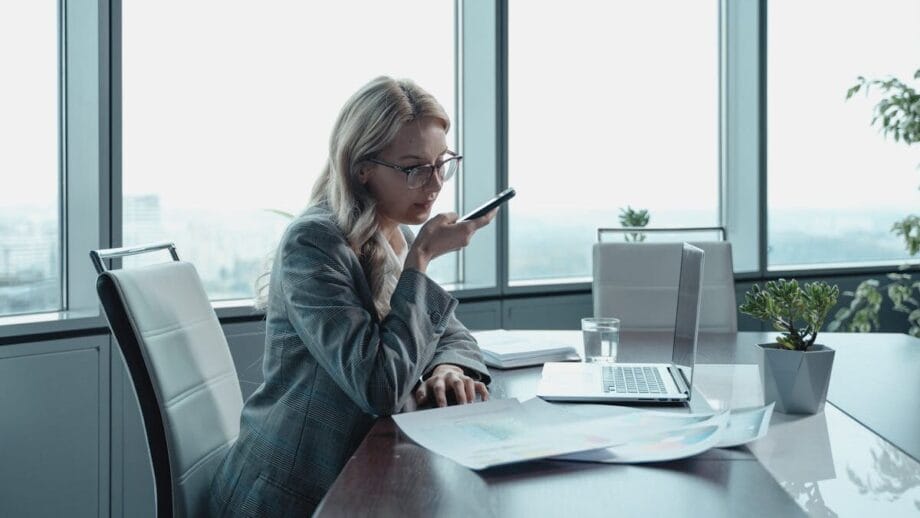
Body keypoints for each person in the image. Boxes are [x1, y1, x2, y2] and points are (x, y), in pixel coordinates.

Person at [208, 76, 496, 516]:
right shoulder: (314, 243)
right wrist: (421, 259)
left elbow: (451, 334)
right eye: (414, 168)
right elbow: (378, 387)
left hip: (361, 472)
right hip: (294, 491)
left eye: (443, 163)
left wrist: (448, 368)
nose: (435, 183)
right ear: (362, 167)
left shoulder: (391, 230)